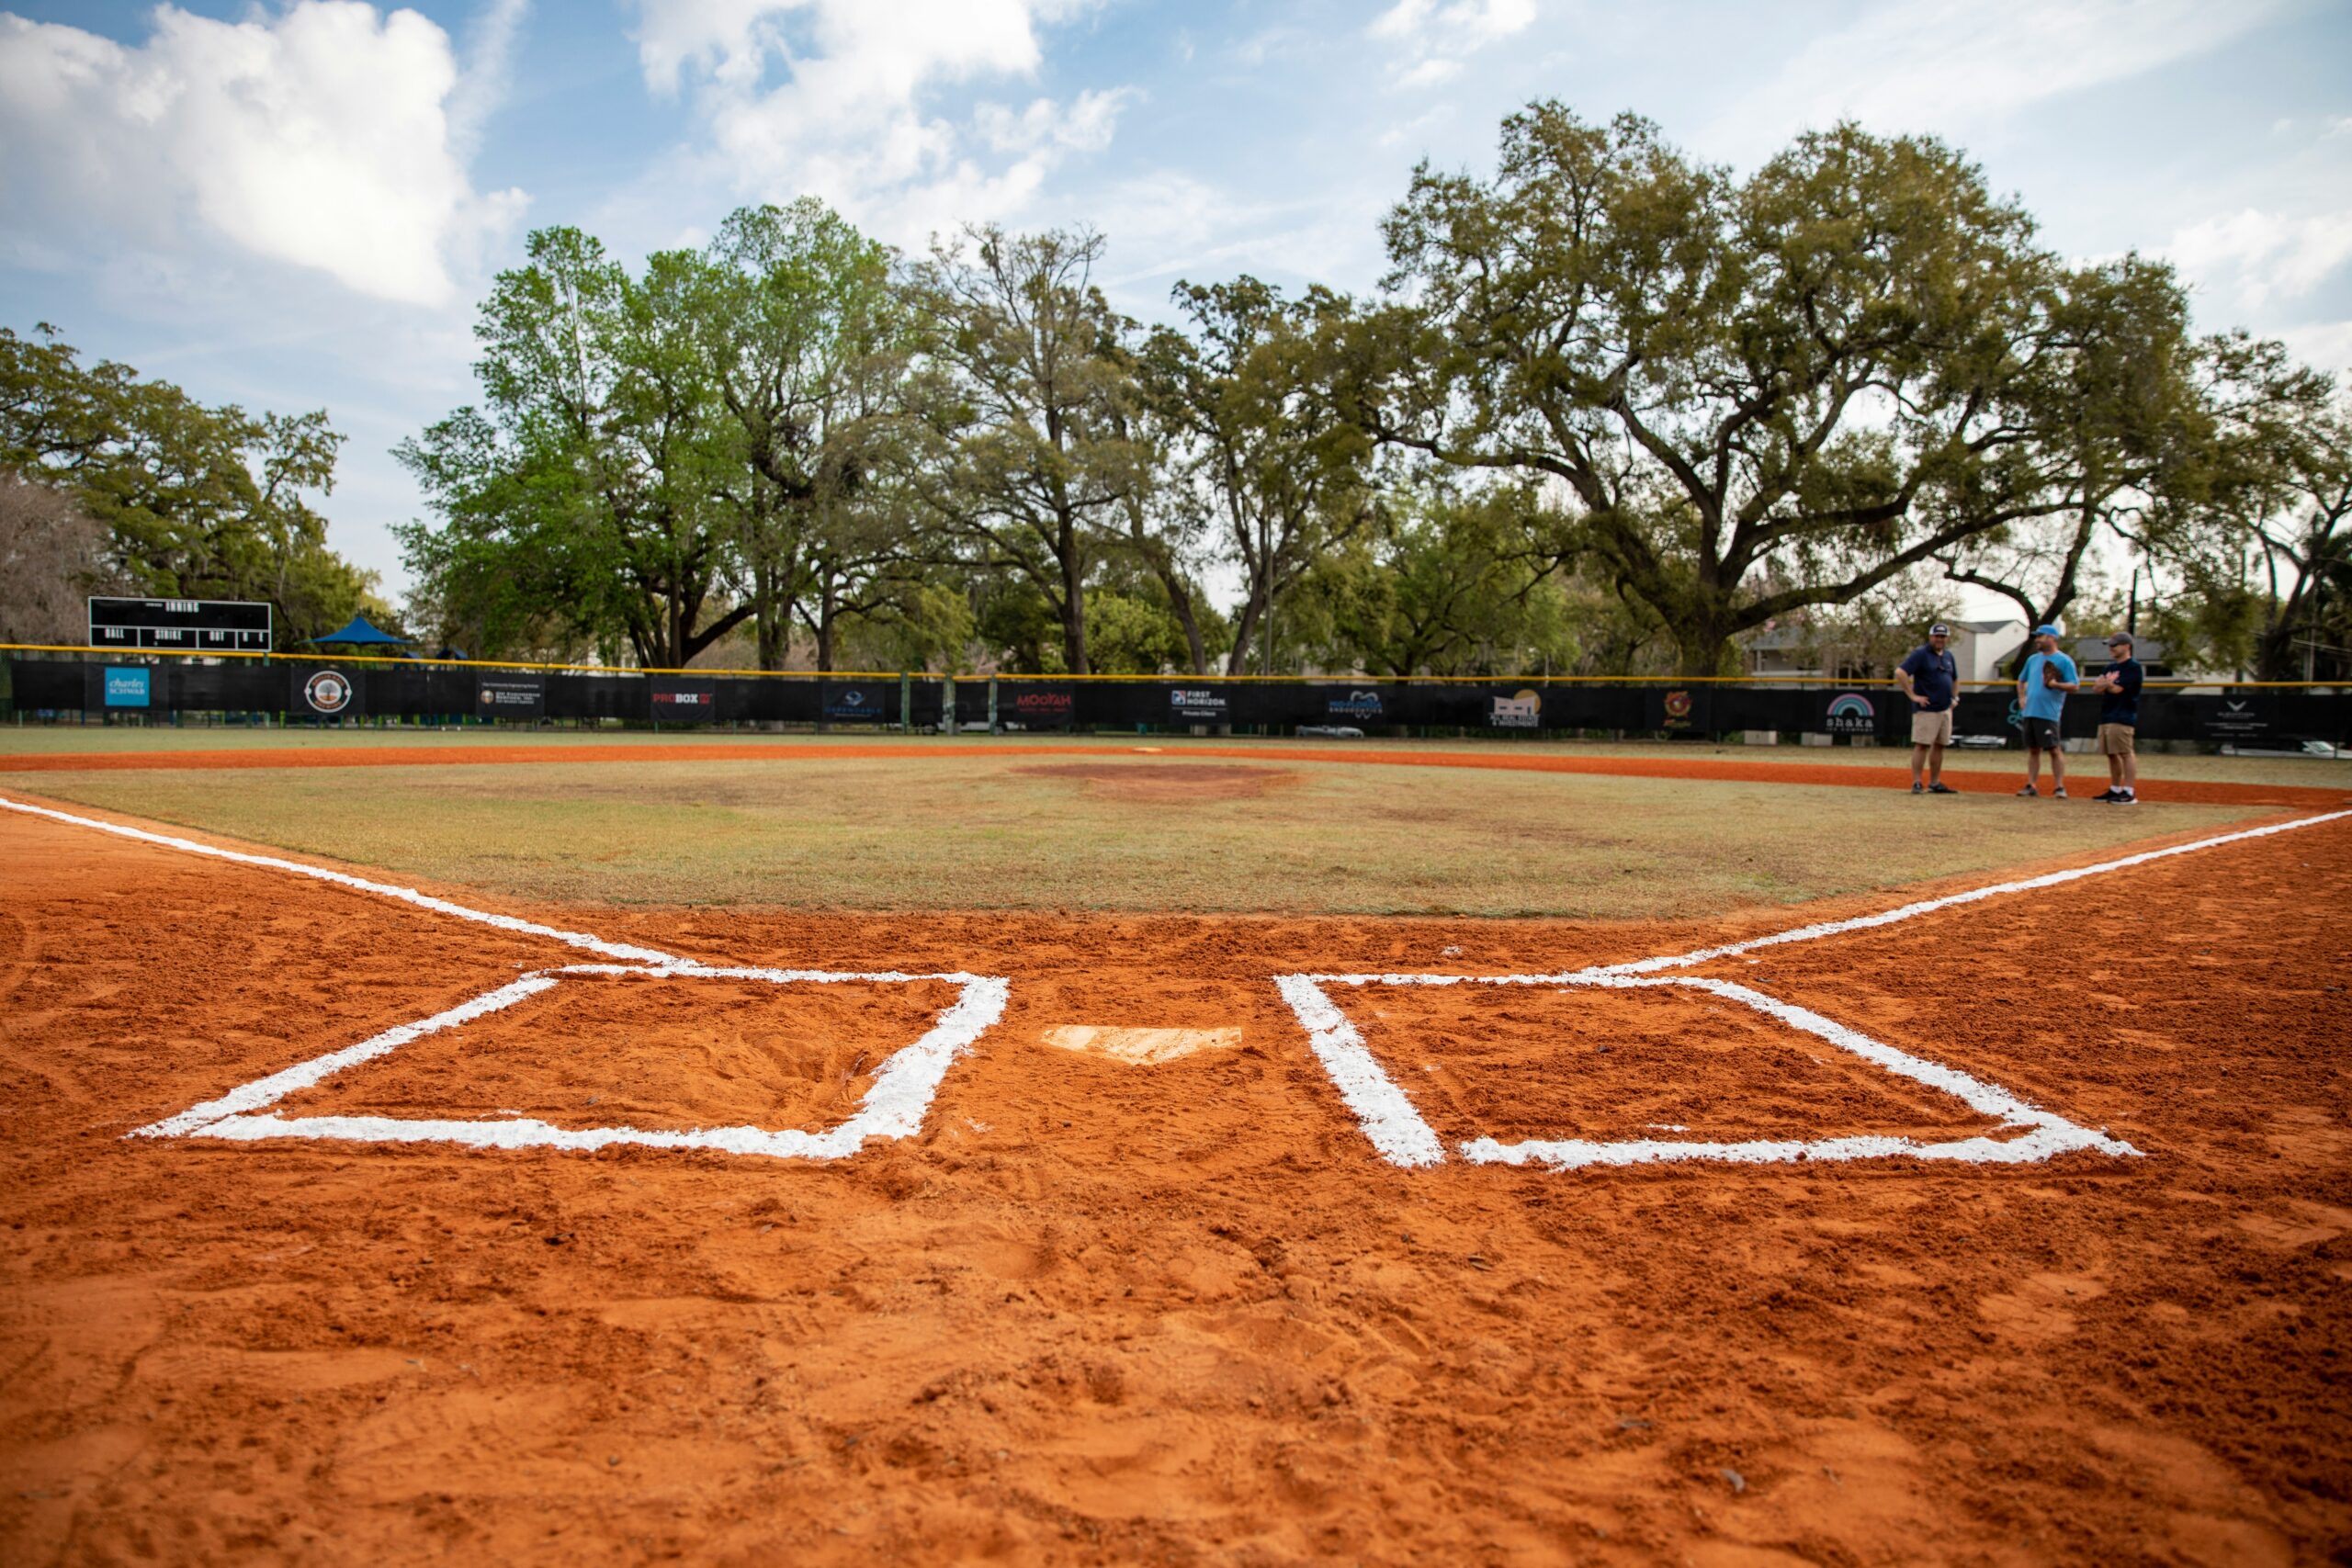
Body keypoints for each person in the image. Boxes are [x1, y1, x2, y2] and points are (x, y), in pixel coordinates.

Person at [1894, 622, 1962, 795]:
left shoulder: (1948, 656)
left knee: (1940, 745)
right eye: (1936, 636)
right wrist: (1913, 696)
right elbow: (1900, 672)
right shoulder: (1921, 654)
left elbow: (1954, 678)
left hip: (1945, 708)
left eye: (1943, 636)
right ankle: (1917, 782)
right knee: (1922, 744)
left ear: (1947, 638)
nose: (1939, 639)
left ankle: (1935, 782)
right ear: (1931, 637)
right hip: (1927, 709)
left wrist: (1955, 698)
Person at [2015, 624, 2078, 797]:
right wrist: (2021, 697)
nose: (2037, 640)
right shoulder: (2033, 660)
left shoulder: (2064, 661)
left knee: (2054, 749)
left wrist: (2057, 685)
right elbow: (2021, 680)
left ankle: (2059, 787)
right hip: (2030, 711)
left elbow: (2074, 685)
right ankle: (2031, 785)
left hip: (2048, 712)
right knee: (2034, 750)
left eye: (2040, 636)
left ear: (2051, 637)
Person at [2086, 632, 2144, 804]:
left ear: (2127, 646)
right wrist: (2106, 684)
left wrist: (2107, 684)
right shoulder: (2109, 668)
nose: (2111, 648)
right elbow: (2096, 688)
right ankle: (2115, 788)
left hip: (2123, 715)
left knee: (2125, 752)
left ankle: (2129, 791)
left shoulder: (2133, 667)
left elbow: (2118, 690)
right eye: (2110, 645)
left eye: (2115, 645)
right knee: (2111, 754)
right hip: (2107, 715)